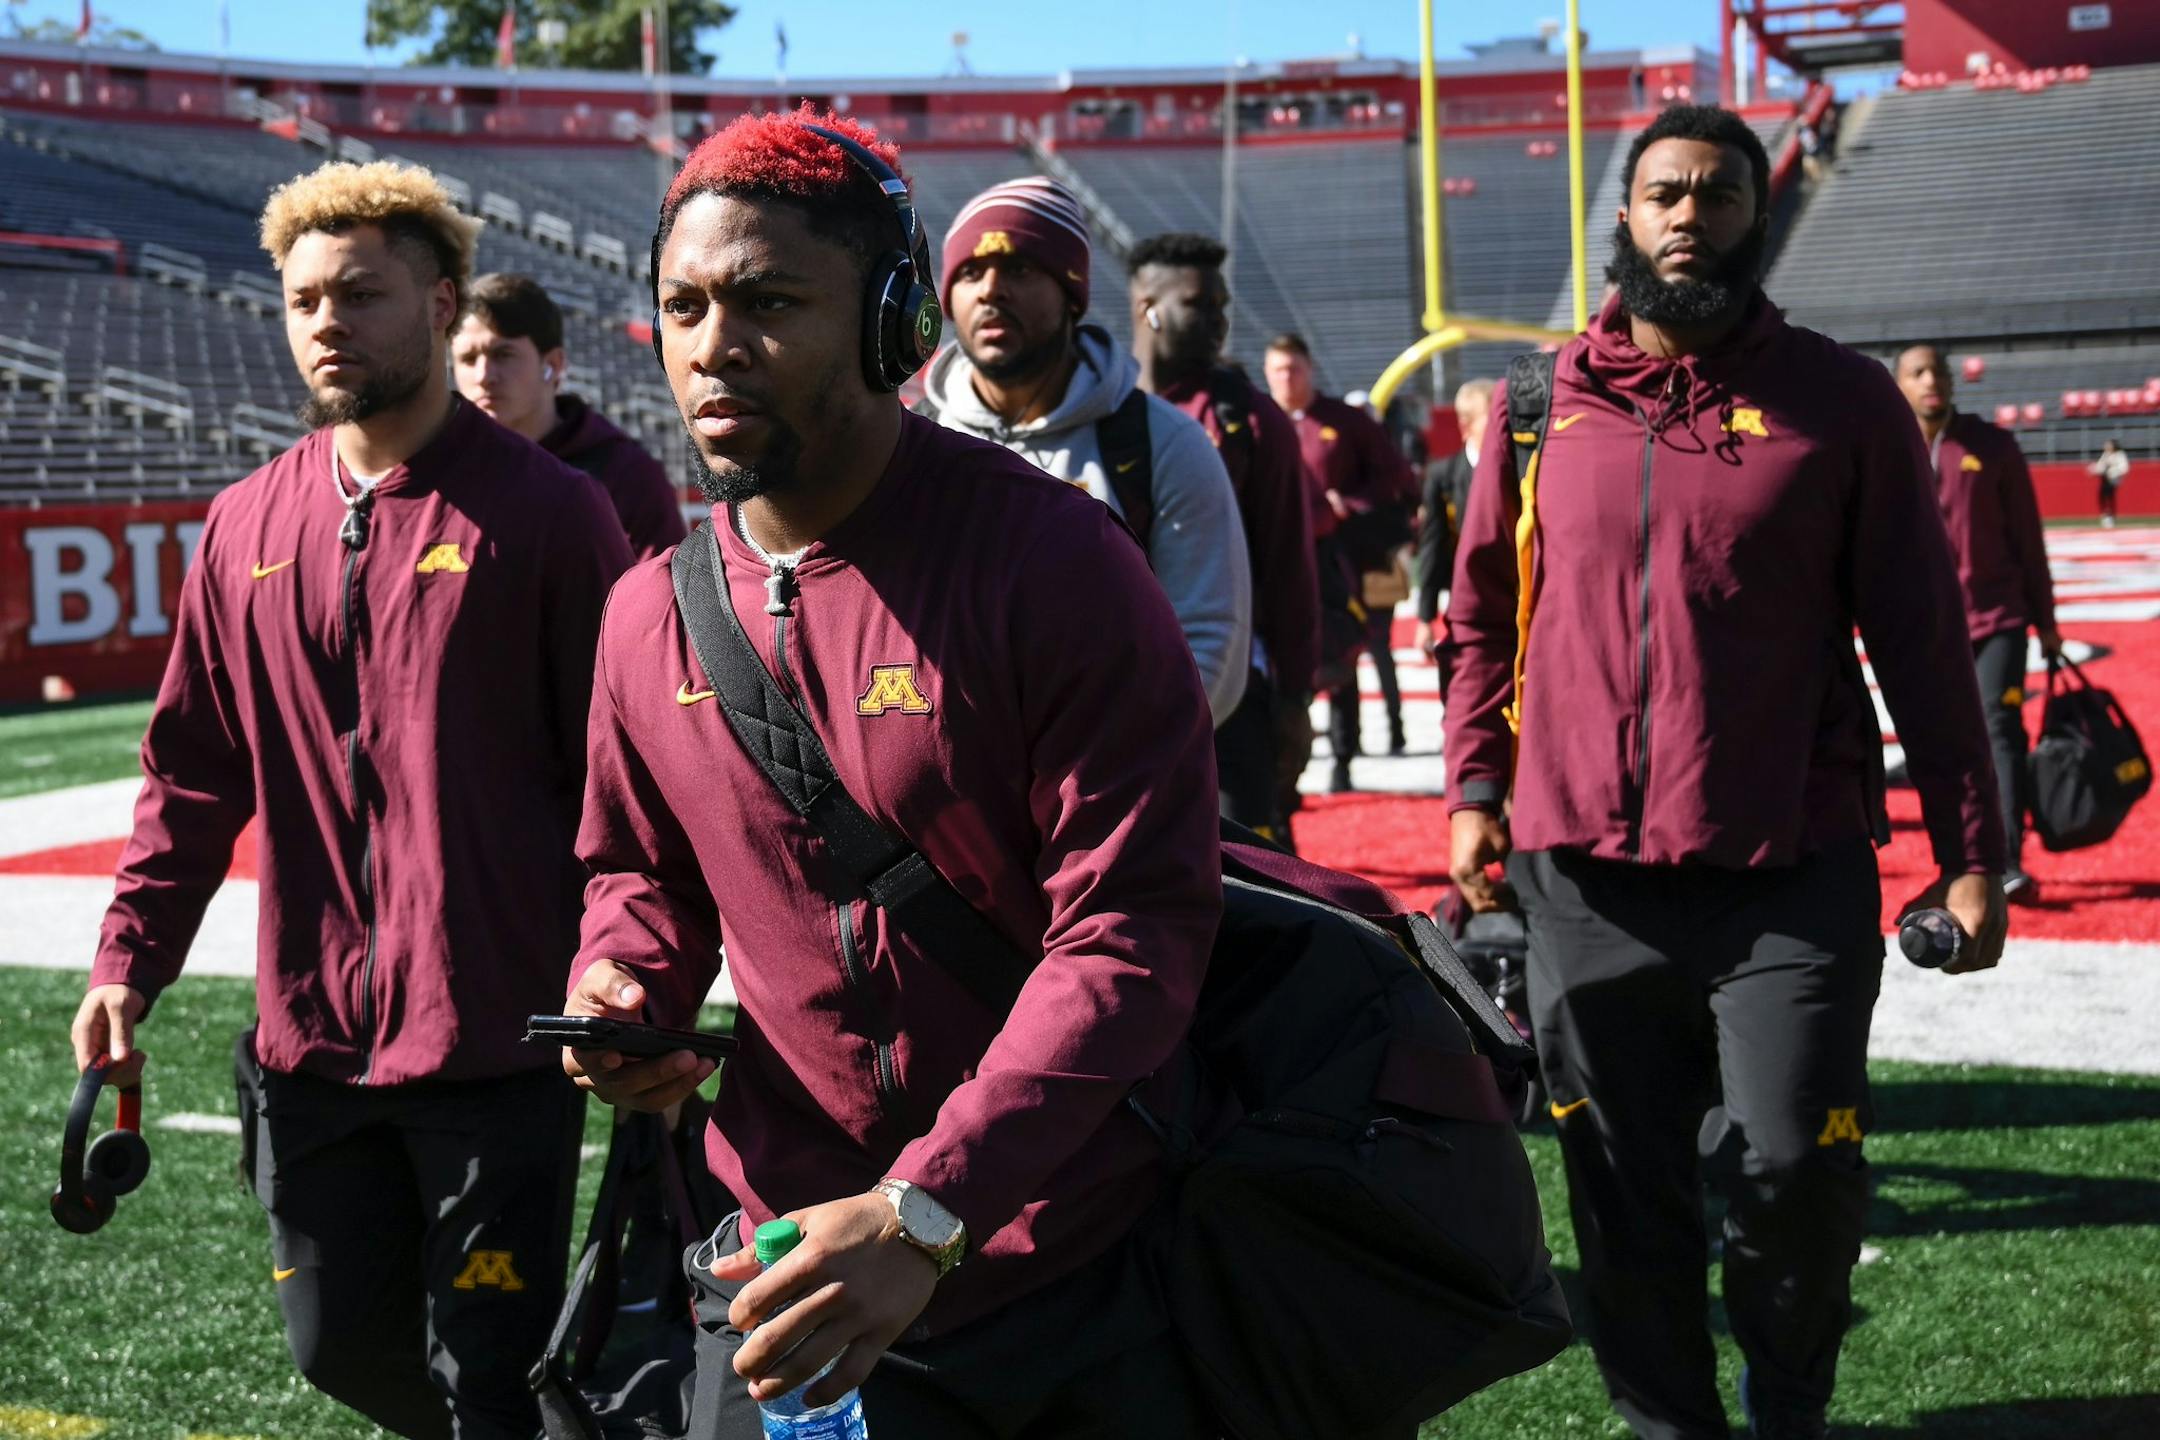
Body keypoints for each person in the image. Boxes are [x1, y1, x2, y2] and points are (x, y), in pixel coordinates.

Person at [559, 109, 1223, 1438]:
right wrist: (626, 976)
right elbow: (640, 869)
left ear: (892, 323)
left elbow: (1129, 930)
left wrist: (928, 1207)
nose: (712, 345)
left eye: (767, 302)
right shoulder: (646, 612)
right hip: (774, 1259)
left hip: (1053, 1255)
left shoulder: (1054, 563)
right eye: (683, 306)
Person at [1443, 105, 2009, 1440]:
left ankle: (1789, 1399)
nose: (1689, 215)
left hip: (1789, 867)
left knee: (1793, 1171)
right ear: (1626, 219)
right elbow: (1478, 618)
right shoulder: (1535, 406)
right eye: (1665, 194)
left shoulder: (1843, 402)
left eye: (1719, 194)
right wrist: (1473, 789)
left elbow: (1924, 643)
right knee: (1622, 1195)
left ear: (1760, 219)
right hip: (1582, 877)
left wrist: (1973, 856)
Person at [69, 161, 633, 1438]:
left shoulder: (553, 514)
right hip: (309, 1043)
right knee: (336, 1351)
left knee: (488, 1377)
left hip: (497, 1046)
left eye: (361, 295)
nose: (327, 322)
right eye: (305, 300)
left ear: (440, 306)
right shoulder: (241, 524)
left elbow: (623, 777)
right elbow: (191, 774)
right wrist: (127, 963)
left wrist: (616, 959)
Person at [918, 177, 1251, 729]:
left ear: (1071, 293)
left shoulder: (1162, 442)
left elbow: (1208, 636)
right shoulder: (910, 443)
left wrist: (1106, 761)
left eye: (1019, 269)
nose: (991, 291)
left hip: (1113, 770)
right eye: (971, 273)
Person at [1128, 230, 1320, 843]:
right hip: (1112, 691)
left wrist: (1294, 699)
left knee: (1243, 870)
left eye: (1222, 305)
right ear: (1148, 307)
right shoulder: (1096, 412)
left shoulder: (1250, 419)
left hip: (1232, 695)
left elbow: (1289, 565)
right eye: (1198, 304)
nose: (1218, 320)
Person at [1894, 342, 2061, 899]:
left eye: (1938, 370)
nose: (1930, 381)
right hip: (1925, 627)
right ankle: (1958, 858)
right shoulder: (1885, 449)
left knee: (2000, 730)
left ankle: (2005, 860)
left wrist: (2047, 620)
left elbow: (2028, 540)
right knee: (1940, 741)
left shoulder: (1993, 445)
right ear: (1899, 386)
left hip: (1997, 619)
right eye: (1917, 373)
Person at [1264, 332, 1416, 791]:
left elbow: (1395, 477)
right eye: (1278, 370)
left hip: (1338, 560)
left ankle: (1343, 756)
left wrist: (1348, 505)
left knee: (1342, 651)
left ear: (1310, 369)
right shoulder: (1257, 420)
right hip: (1275, 561)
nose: (1287, 379)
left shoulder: (1345, 421)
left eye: (1294, 369)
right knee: (1280, 656)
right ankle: (1287, 755)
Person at [453, 271, 689, 560]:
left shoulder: (626, 476)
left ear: (553, 364)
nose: (484, 376)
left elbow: (664, 585)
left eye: (503, 355)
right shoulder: (440, 471)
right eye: (467, 359)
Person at [1416, 377, 1493, 657]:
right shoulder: (1444, 476)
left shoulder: (1523, 468)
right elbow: (1433, 545)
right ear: (1466, 426)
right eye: (1494, 421)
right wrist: (1425, 617)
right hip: (1467, 598)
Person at [2089, 438, 2130, 527]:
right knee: (2102, 496)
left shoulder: (2120, 455)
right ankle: (2105, 515)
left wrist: (2113, 472)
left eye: (2108, 444)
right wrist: (2094, 469)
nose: (2106, 446)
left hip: (2113, 479)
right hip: (2104, 479)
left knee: (2109, 497)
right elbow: (2101, 466)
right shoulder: (2106, 454)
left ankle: (2110, 516)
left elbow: (2124, 468)